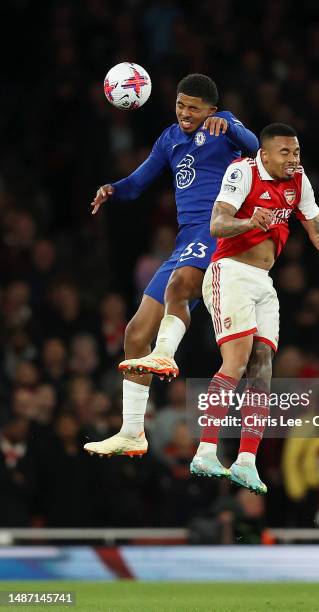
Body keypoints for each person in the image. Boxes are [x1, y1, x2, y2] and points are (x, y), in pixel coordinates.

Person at [127, 122, 319, 492]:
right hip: (229, 271)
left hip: (264, 281)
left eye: (296, 152)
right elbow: (217, 223)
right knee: (237, 361)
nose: (293, 159)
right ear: (264, 154)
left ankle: (247, 459)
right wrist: (249, 220)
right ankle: (206, 450)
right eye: (285, 153)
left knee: (263, 365)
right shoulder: (242, 172)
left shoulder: (298, 182)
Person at [84, 74, 258, 457]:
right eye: (181, 105)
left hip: (217, 230)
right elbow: (137, 182)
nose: (185, 113)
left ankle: (166, 352)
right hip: (186, 241)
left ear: (211, 109)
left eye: (194, 108)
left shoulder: (224, 125)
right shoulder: (169, 139)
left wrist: (228, 125)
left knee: (179, 287)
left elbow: (255, 145)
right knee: (134, 333)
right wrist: (113, 188)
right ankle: (132, 431)